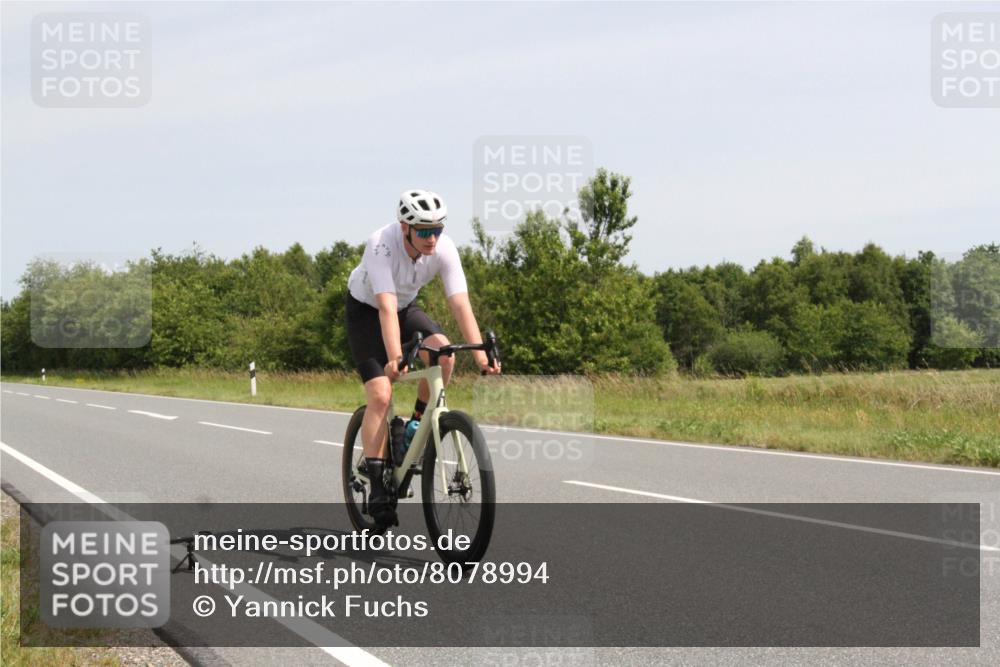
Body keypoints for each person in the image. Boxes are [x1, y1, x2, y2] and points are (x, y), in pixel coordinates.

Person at [344, 189, 501, 524]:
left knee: (445, 356)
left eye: (438, 230)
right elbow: (385, 307)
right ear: (405, 228)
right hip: (367, 311)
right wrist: (395, 357)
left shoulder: (444, 248)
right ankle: (377, 488)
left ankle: (414, 425)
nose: (433, 238)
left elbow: (460, 303)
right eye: (425, 231)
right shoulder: (381, 244)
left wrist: (481, 357)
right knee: (381, 395)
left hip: (405, 308)